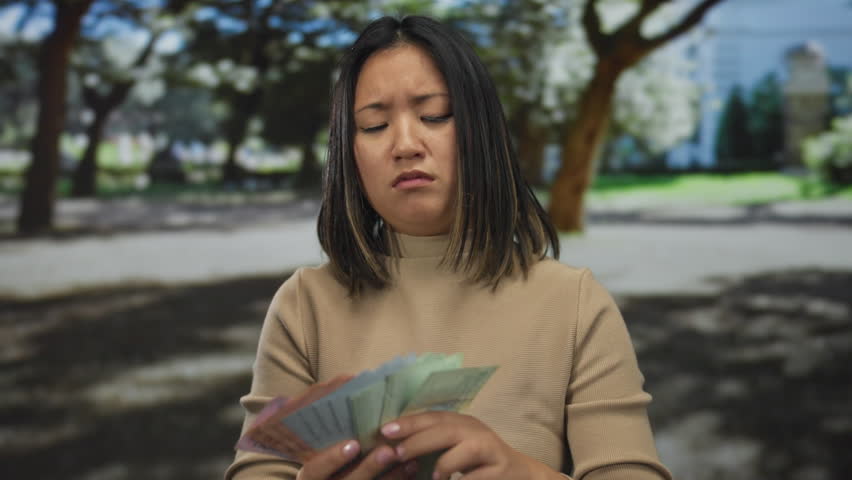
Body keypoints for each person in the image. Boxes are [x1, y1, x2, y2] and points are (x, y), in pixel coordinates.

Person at [226, 15, 672, 480]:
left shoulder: (574, 304)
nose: (404, 144)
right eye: (375, 125)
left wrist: (520, 472)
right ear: (348, 154)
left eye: (434, 115)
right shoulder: (304, 306)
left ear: (482, 131)